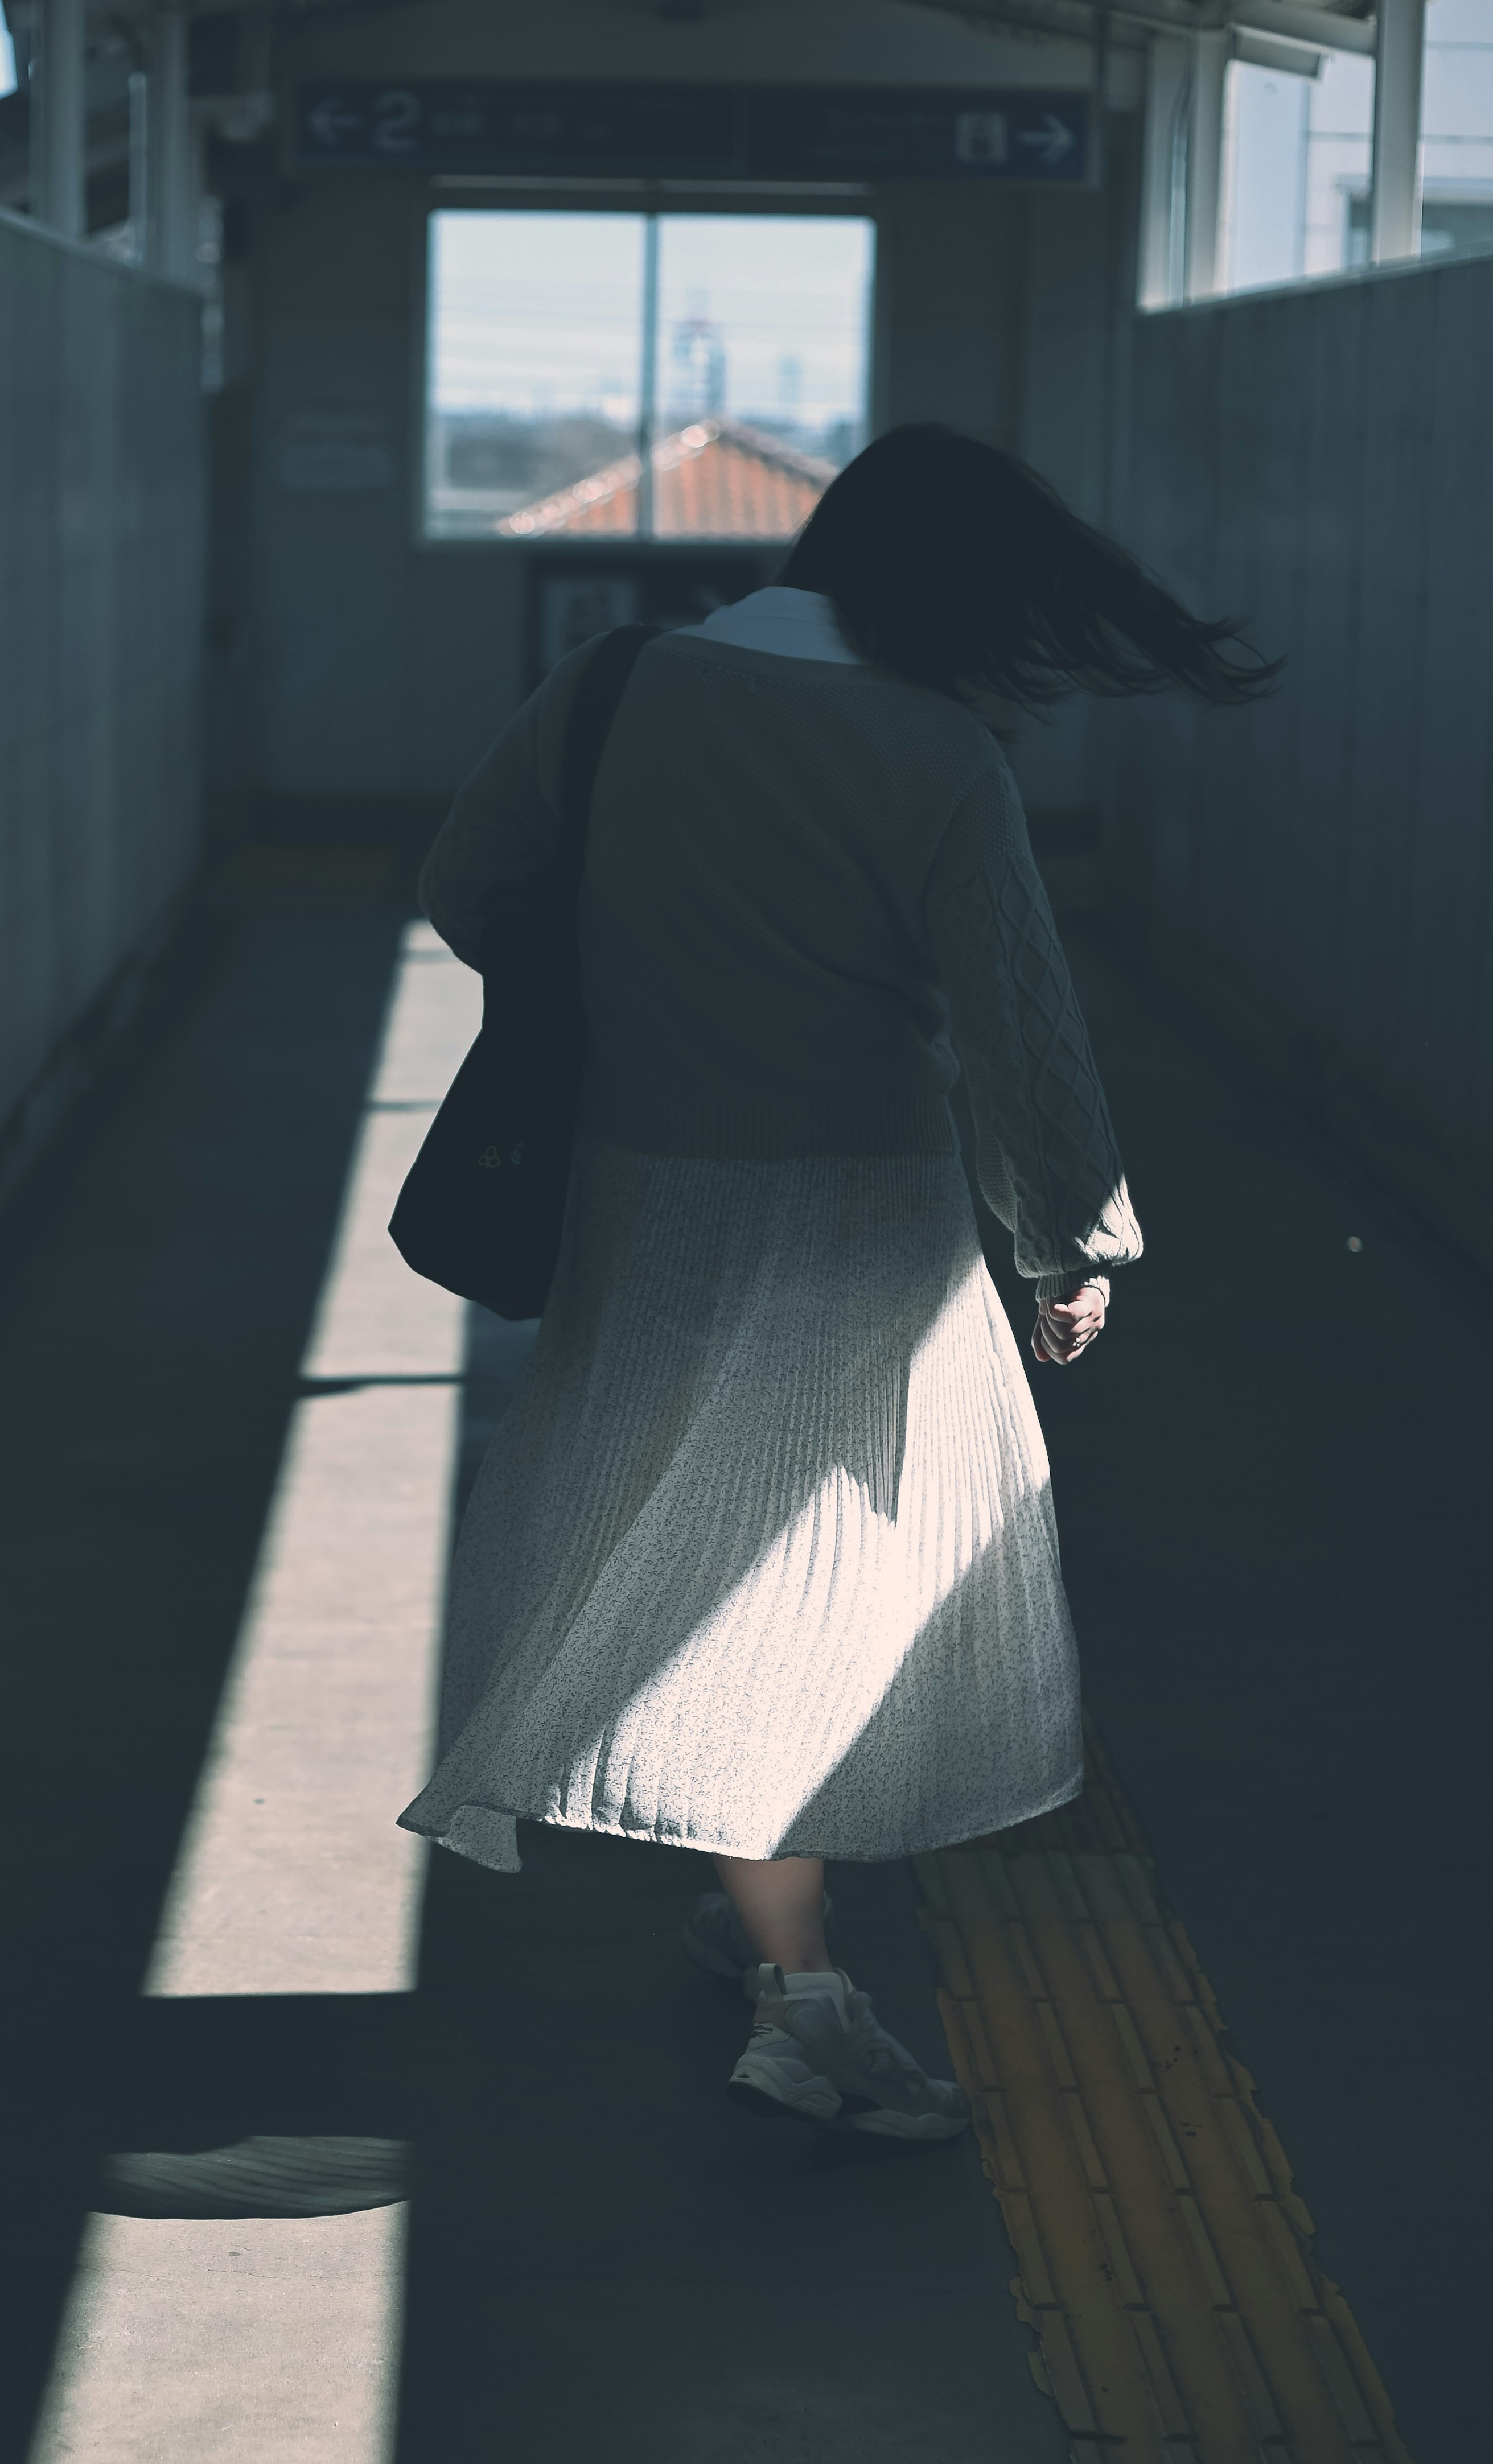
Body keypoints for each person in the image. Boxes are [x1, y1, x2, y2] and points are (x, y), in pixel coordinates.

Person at [400, 423, 1275, 2142]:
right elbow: (1021, 1024)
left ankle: (762, 1915)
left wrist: (640, 974)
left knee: (715, 1562)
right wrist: (1070, 1247)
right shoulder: (933, 748)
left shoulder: (616, 683)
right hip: (862, 1227)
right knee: (805, 1599)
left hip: (642, 1205)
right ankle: (804, 2003)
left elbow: (468, 888)